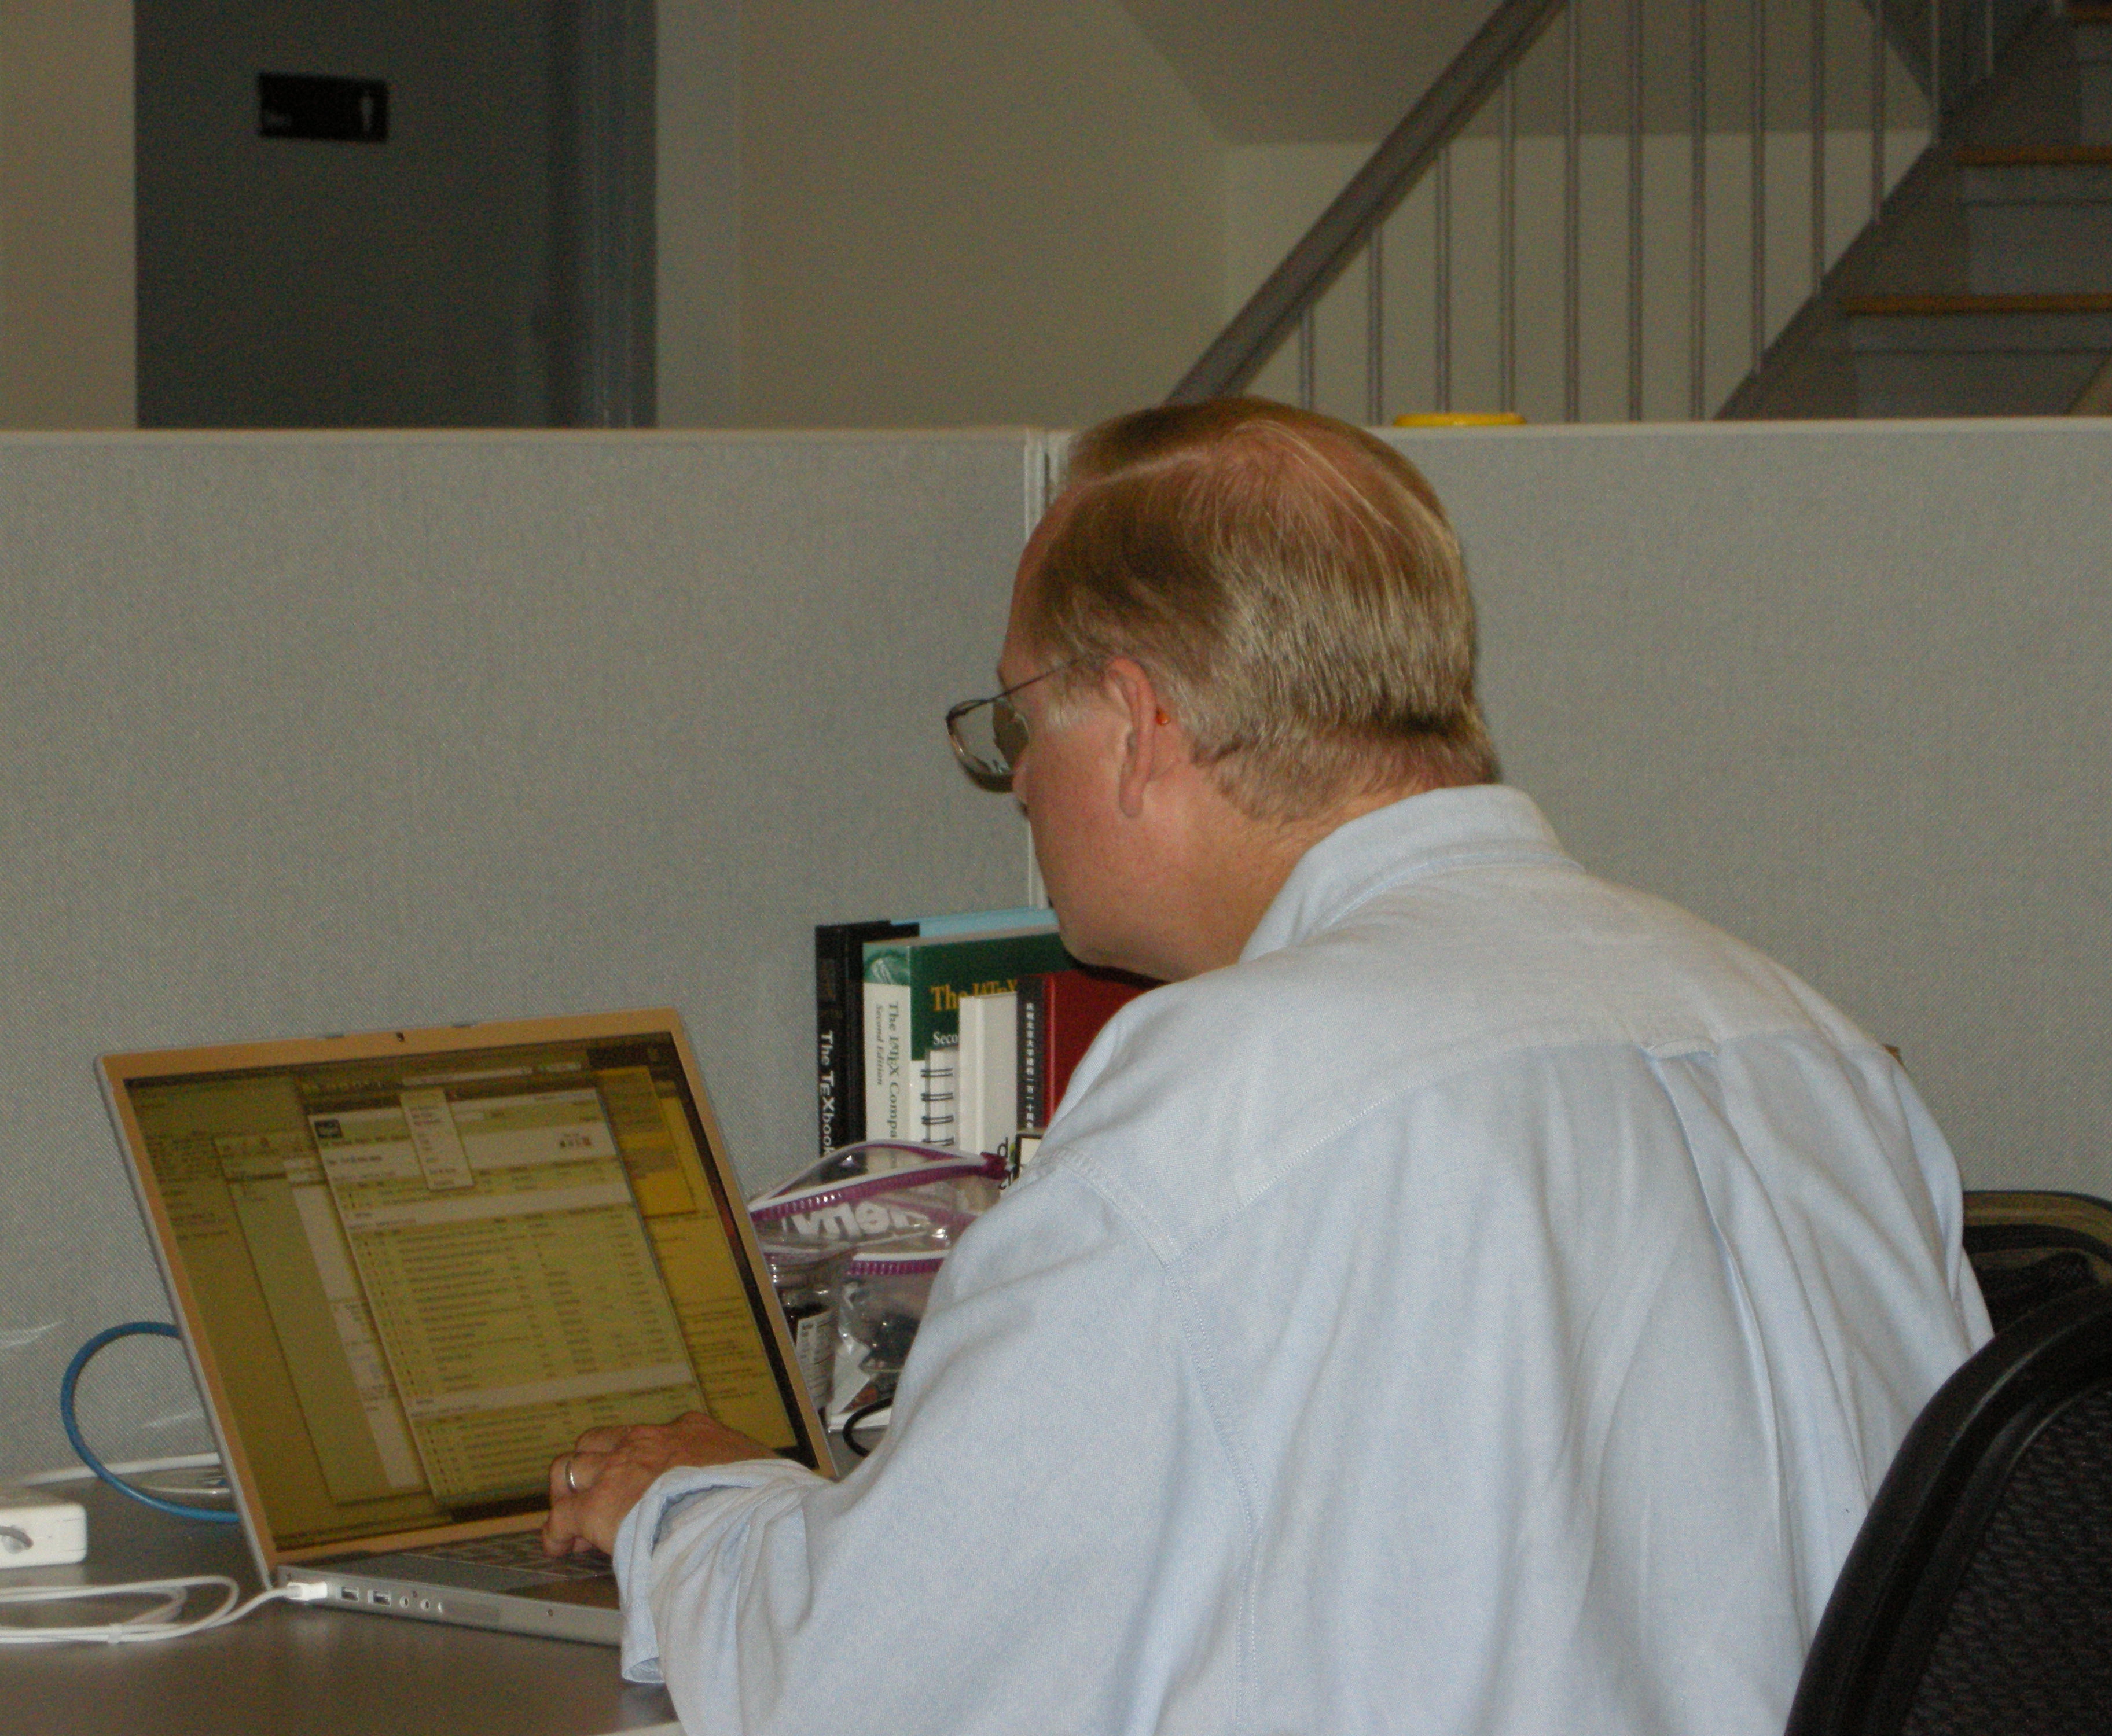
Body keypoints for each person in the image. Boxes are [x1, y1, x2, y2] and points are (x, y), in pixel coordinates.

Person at [541, 398, 1990, 1736]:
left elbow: (875, 1676)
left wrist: (690, 1516)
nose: (1020, 781)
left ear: (1136, 727)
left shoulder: (1230, 1096)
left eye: (1019, 723)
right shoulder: (1806, 1042)